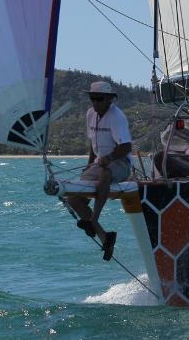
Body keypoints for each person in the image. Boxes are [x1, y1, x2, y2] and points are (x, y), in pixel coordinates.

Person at [67, 81, 133, 261]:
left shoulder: (116, 116)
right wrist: (90, 164)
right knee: (73, 197)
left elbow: (126, 146)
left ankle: (93, 219)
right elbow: (92, 142)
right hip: (100, 162)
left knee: (105, 173)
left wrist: (110, 158)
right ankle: (105, 237)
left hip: (121, 162)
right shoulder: (90, 114)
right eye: (92, 98)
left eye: (99, 99)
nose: (95, 102)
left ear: (109, 99)